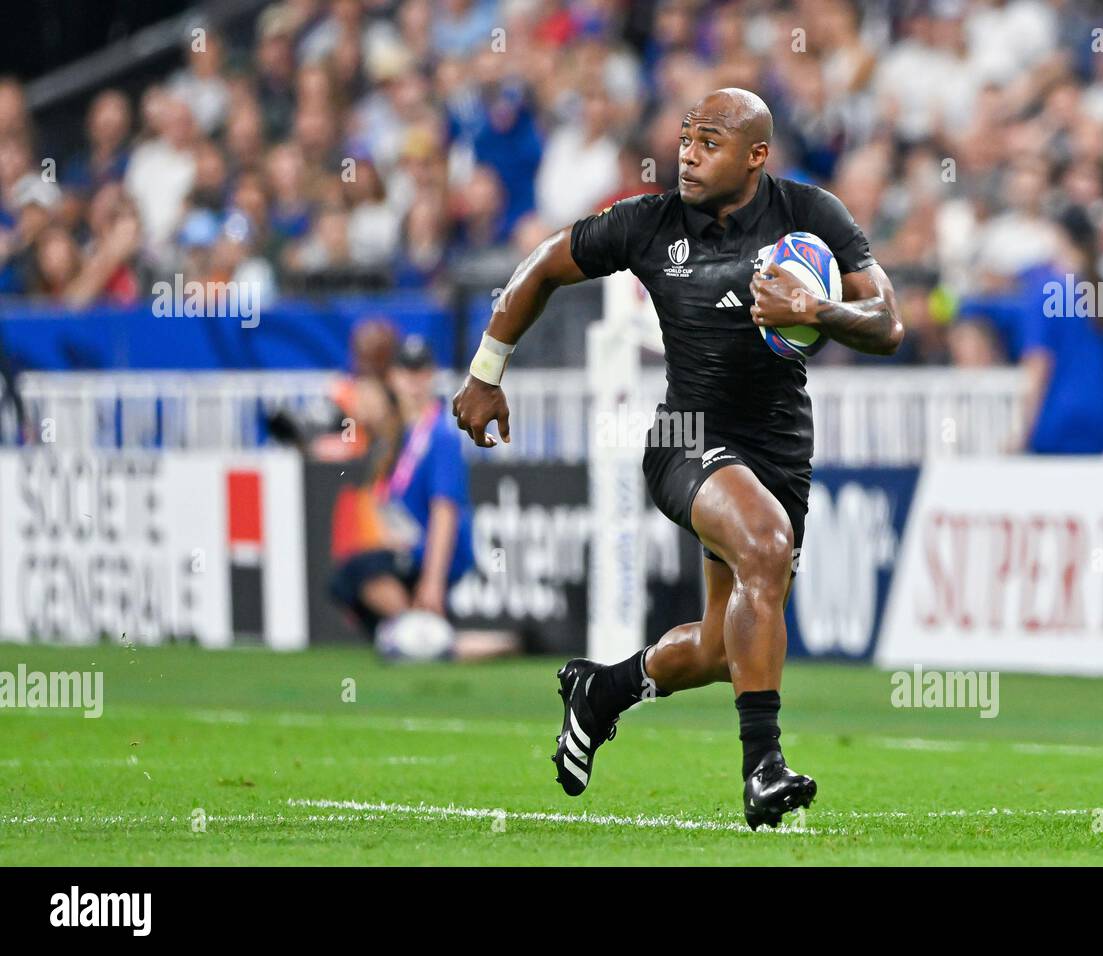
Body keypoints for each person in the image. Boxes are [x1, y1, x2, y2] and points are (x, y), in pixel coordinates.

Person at [451, 88, 903, 829]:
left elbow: (887, 324)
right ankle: (764, 768)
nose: (689, 152)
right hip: (686, 438)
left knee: (726, 647)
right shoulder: (649, 223)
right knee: (764, 544)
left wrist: (813, 312)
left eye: (711, 141)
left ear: (757, 155)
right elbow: (538, 267)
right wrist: (484, 372)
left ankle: (602, 691)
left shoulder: (810, 214)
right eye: (687, 136)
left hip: (781, 447)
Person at [330, 334, 475, 642]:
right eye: (406, 372)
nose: (414, 381)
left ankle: (419, 633)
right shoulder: (398, 432)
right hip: (407, 547)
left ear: (432, 375)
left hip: (429, 552)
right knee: (348, 577)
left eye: (421, 372)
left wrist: (433, 581)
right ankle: (416, 632)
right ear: (393, 377)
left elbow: (444, 511)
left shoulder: (440, 434)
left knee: (361, 571)